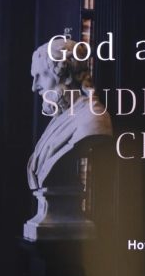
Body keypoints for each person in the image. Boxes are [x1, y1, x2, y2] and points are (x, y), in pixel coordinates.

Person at [25, 39, 113, 190]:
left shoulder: (93, 118)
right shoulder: (60, 118)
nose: (34, 87)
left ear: (66, 75)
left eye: (41, 76)